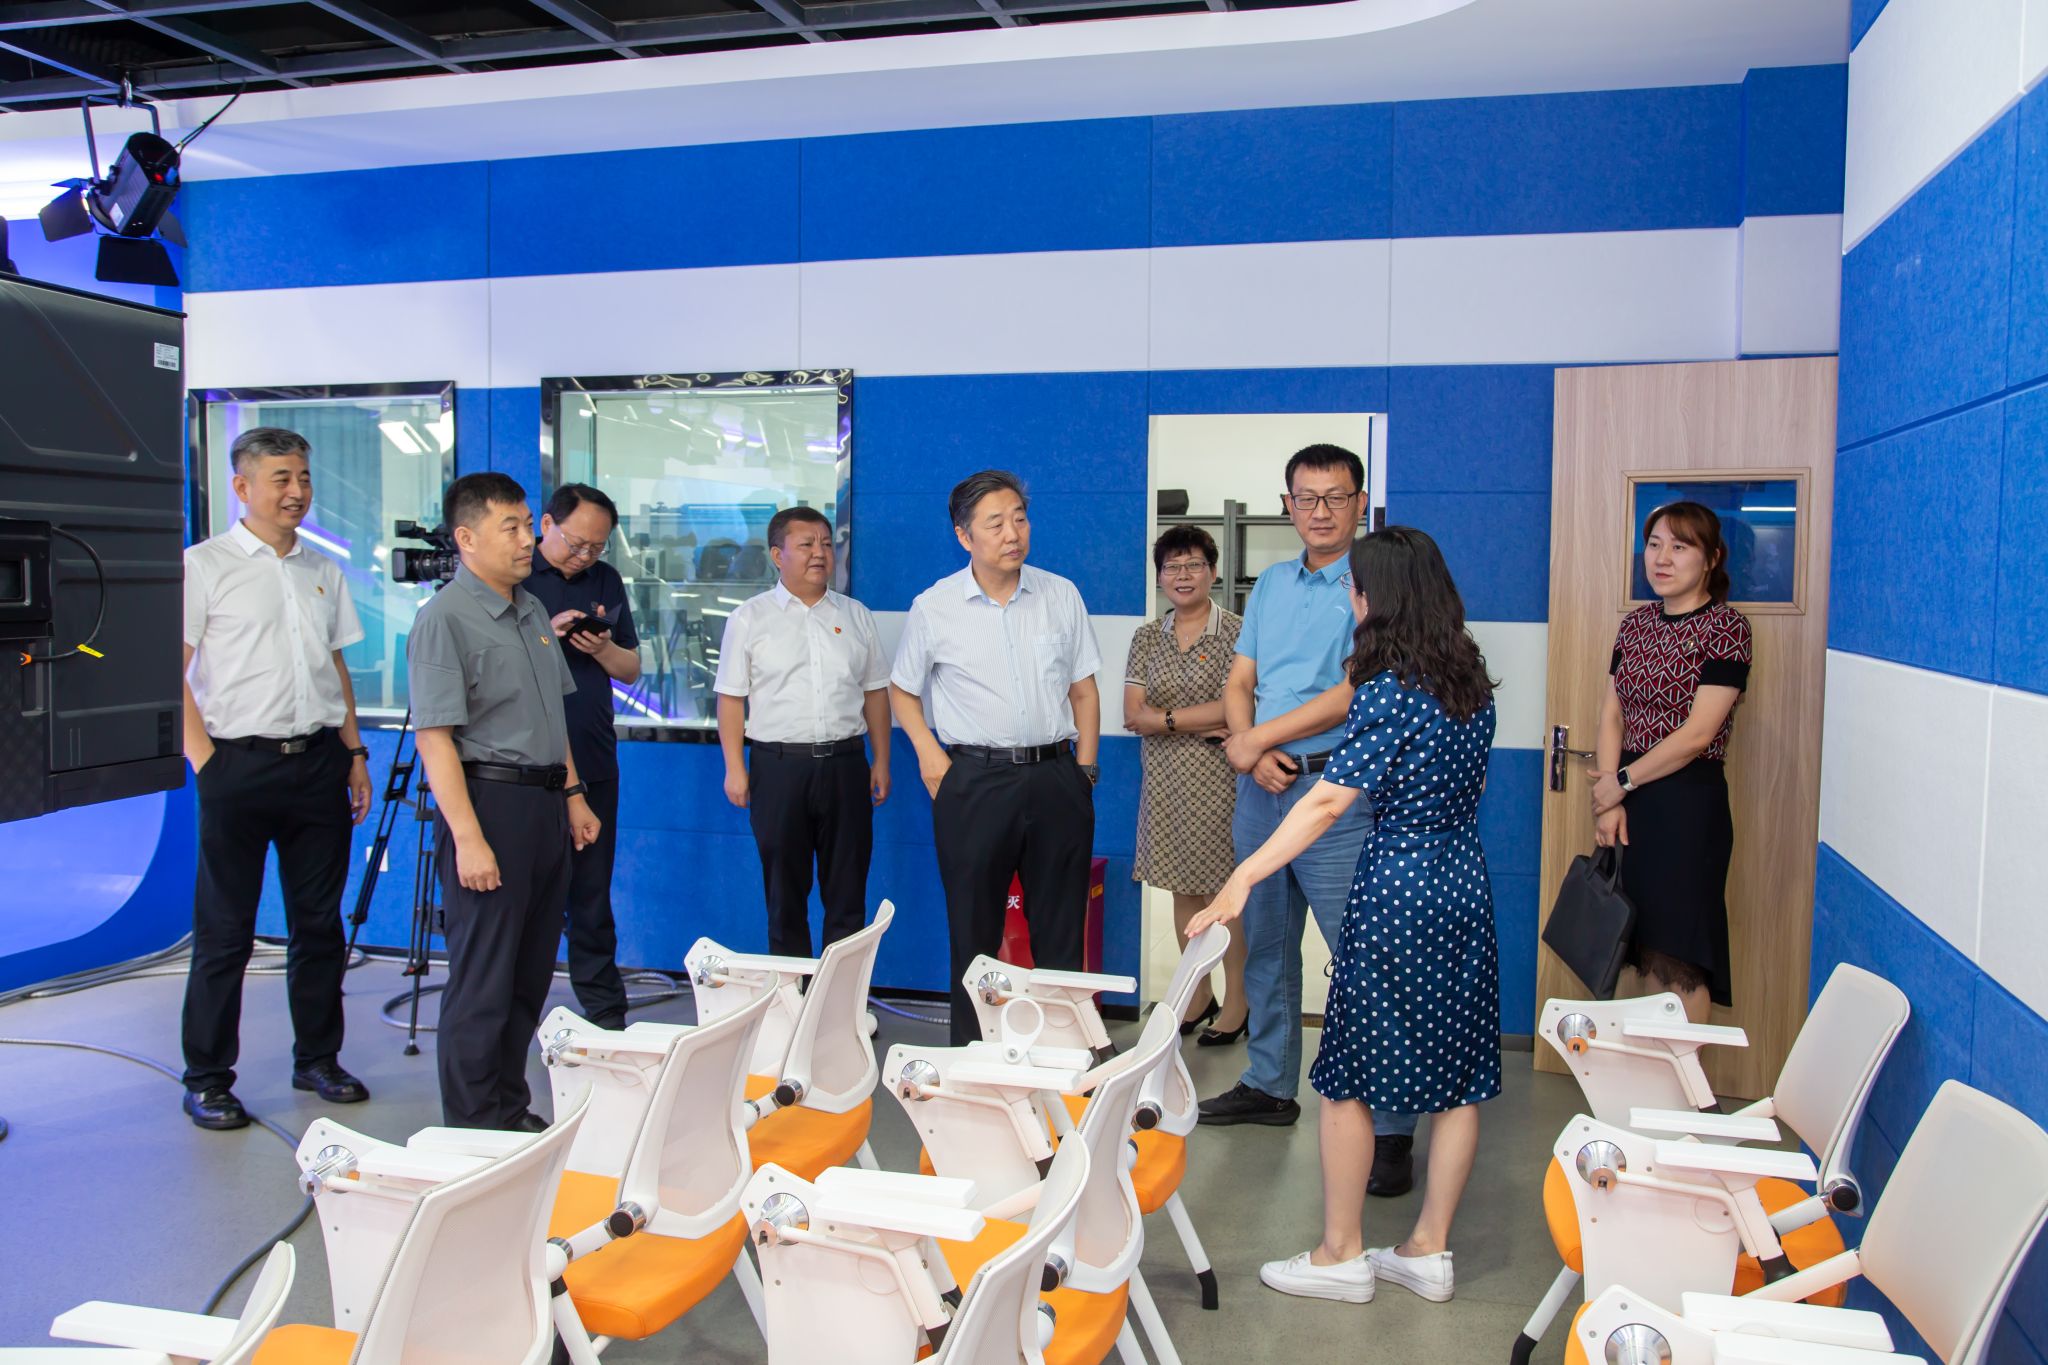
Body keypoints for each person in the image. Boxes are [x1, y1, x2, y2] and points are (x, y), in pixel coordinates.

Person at [1190, 526, 1501, 1306]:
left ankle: (1339, 1254)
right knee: (1459, 1080)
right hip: (1463, 883)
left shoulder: (1388, 688)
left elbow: (1328, 801)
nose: (1352, 600)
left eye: (1357, 588)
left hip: (1399, 886)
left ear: (1375, 597)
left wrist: (1244, 875)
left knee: (1346, 1078)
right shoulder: (1468, 678)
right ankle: (1427, 1248)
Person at [1202, 443, 1420, 1198]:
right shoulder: (1270, 582)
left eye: (1336, 497)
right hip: (1262, 789)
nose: (1321, 511)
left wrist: (1253, 740)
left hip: (1337, 789)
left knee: (1363, 959)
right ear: (1287, 504)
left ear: (1361, 503)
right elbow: (1241, 679)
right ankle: (1270, 1083)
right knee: (1264, 948)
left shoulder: (1375, 583)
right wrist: (1251, 749)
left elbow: (1354, 692)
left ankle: (1391, 1127)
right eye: (1307, 497)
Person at [178, 427, 375, 1130]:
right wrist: (206, 761)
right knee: (225, 930)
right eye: (282, 478)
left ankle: (317, 1058)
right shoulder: (203, 566)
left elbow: (335, 667)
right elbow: (171, 671)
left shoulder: (322, 569)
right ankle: (207, 1078)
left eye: (304, 478)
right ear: (242, 486)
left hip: (319, 762)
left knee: (318, 925)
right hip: (237, 765)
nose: (297, 491)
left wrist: (354, 754)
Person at [407, 472, 602, 1130]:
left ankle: (507, 1106)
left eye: (527, 523)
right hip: (489, 807)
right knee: (483, 979)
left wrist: (573, 795)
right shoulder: (444, 619)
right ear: (466, 538)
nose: (526, 539)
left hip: (545, 808)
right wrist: (468, 838)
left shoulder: (530, 611)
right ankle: (471, 1127)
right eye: (510, 527)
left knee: (527, 974)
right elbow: (435, 739)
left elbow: (553, 718)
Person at [890, 470, 1102, 1045]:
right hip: (974, 783)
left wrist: (1084, 770)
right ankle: (971, 1061)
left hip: (1057, 778)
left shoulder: (1060, 594)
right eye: (996, 524)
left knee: (1061, 933)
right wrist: (930, 756)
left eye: (1020, 518)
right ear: (964, 536)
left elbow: (1084, 691)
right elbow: (902, 691)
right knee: (973, 933)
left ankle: (1065, 1058)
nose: (1013, 533)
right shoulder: (935, 606)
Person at [1591, 501, 1752, 1024]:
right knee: (1640, 949)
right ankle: (1649, 1070)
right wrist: (1609, 802)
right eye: (1655, 544)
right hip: (1630, 800)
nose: (1662, 558)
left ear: (1711, 558)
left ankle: (1685, 1075)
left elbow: (1698, 734)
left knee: (1681, 959)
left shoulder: (1727, 628)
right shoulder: (1635, 625)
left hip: (1688, 807)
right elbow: (1612, 713)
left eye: (1680, 547)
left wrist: (1620, 782)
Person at [715, 506, 892, 956]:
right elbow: (731, 699)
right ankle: (789, 994)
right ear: (778, 555)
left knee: (848, 893)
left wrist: (881, 760)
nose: (820, 553)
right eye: (807, 544)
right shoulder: (749, 618)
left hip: (846, 765)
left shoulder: (856, 615)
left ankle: (840, 996)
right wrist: (735, 768)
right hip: (778, 769)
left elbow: (875, 694)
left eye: (826, 544)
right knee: (784, 896)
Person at [1122, 525, 1248, 1043]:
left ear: (1213, 572)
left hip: (1221, 777)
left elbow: (1238, 707)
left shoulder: (1238, 631)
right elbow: (1133, 712)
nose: (1183, 575)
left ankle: (1238, 1002)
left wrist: (1166, 719)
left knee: (1224, 892)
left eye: (1194, 564)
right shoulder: (1147, 636)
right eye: (1171, 566)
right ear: (1159, 577)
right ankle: (1197, 995)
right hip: (1166, 779)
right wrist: (1196, 718)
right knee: (1182, 888)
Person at [521, 483, 640, 1031]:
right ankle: (515, 1009)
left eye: (597, 546)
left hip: (592, 756)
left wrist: (604, 648)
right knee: (526, 896)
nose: (585, 555)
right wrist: (547, 638)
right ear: (546, 524)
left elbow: (631, 669)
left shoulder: (605, 580)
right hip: (526, 765)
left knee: (591, 892)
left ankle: (606, 1011)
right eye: (576, 543)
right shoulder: (513, 575)